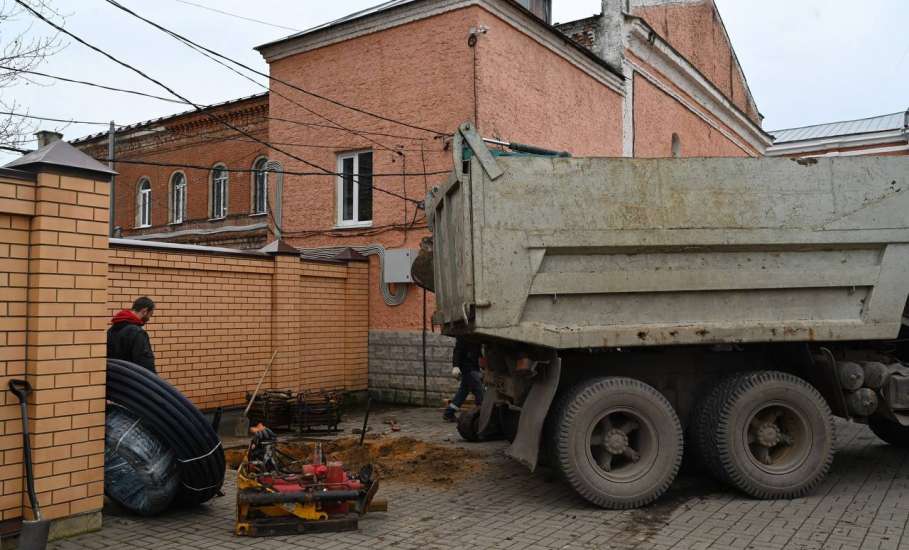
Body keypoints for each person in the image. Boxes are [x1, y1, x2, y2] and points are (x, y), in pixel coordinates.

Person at [108, 296, 156, 372]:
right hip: (131, 381)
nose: (149, 319)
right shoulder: (137, 333)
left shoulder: (112, 329)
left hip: (113, 380)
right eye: (150, 314)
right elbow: (145, 363)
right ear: (145, 311)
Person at [443, 337, 485, 422]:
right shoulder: (464, 337)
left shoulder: (477, 338)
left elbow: (478, 353)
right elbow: (457, 351)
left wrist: (482, 366)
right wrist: (456, 366)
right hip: (467, 368)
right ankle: (482, 414)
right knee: (479, 389)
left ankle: (449, 413)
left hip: (473, 367)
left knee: (463, 391)